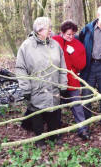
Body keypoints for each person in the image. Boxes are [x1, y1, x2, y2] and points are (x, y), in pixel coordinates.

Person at [15, 17, 67, 147]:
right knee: (37, 113)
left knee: (54, 112)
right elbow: (21, 69)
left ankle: (54, 135)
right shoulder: (26, 46)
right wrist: (25, 88)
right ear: (39, 30)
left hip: (53, 86)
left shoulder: (55, 45)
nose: (51, 30)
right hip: (36, 88)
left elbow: (62, 66)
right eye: (48, 28)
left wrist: (63, 83)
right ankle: (39, 139)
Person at [52, 20, 90, 140]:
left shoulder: (78, 45)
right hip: (56, 80)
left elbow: (81, 65)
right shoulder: (55, 41)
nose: (71, 37)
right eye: (68, 34)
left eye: (73, 34)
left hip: (72, 80)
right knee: (55, 107)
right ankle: (56, 131)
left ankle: (82, 129)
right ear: (62, 33)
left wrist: (71, 53)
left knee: (76, 105)